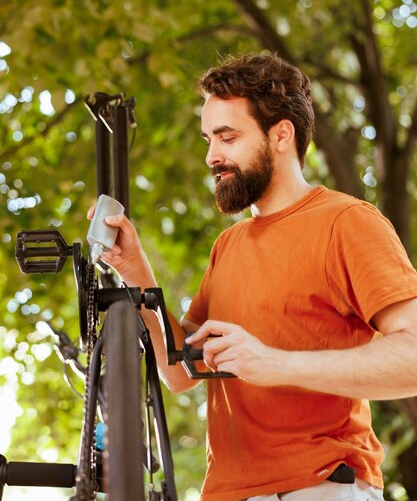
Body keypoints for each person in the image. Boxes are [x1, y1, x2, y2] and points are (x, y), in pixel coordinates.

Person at [89, 53, 417, 501]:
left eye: (227, 137)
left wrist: (275, 363)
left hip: (319, 487)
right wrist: (136, 272)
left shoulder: (347, 222)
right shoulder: (230, 245)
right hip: (227, 492)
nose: (212, 156)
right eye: (208, 139)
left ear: (281, 134)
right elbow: (183, 371)